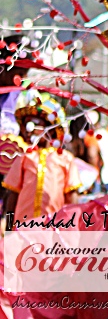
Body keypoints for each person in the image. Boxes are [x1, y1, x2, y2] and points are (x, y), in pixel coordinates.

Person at [2, 91, 81, 224]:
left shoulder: (65, 158)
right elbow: (12, 196)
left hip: (53, 229)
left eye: (33, 125)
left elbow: (71, 197)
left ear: (50, 129)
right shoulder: (24, 157)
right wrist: (9, 229)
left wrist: (70, 227)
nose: (29, 131)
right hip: (23, 228)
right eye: (26, 125)